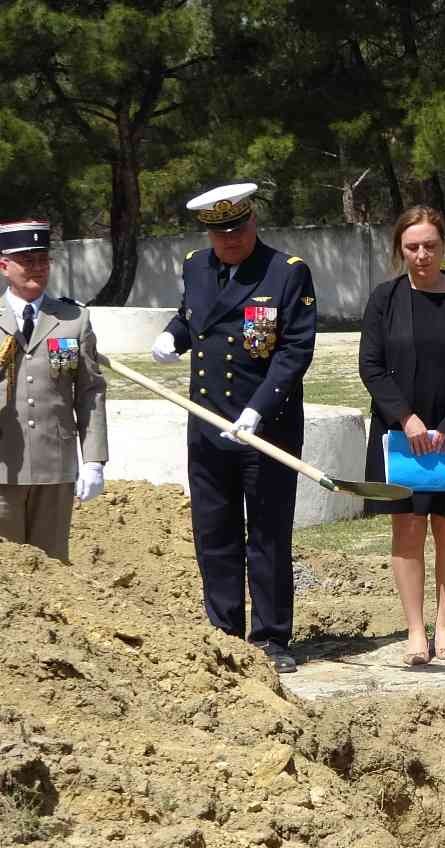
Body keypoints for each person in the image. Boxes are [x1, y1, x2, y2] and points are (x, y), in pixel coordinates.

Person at [151, 183, 317, 674]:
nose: (229, 240)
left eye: (237, 230)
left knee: (266, 534)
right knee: (214, 532)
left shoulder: (286, 272)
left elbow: (294, 351)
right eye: (219, 233)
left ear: (252, 224)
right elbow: (193, 319)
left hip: (264, 428)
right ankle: (224, 631)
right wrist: (172, 336)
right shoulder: (194, 267)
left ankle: (271, 636)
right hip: (207, 424)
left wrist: (258, 409)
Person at [359, 206, 445, 666]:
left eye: (430, 246)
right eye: (412, 246)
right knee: (408, 527)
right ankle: (415, 630)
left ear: (444, 245)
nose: (421, 255)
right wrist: (406, 419)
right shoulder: (384, 299)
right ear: (400, 248)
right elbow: (371, 366)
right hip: (401, 435)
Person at [0, 220, 108, 561]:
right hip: (3, 466)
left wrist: (93, 460)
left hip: (55, 467)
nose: (37, 268)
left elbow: (89, 391)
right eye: (26, 260)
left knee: (54, 569)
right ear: (4, 266)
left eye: (43, 260)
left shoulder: (73, 318)